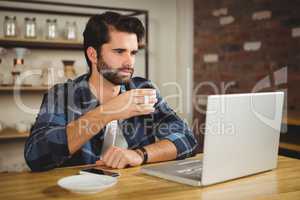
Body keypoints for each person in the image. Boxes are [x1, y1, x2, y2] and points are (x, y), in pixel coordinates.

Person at [24, 12, 198, 172]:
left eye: (133, 52)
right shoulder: (61, 95)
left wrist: (140, 154)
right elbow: (35, 156)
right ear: (93, 55)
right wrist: (108, 111)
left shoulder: (144, 89)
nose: (129, 62)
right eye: (119, 51)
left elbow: (187, 139)